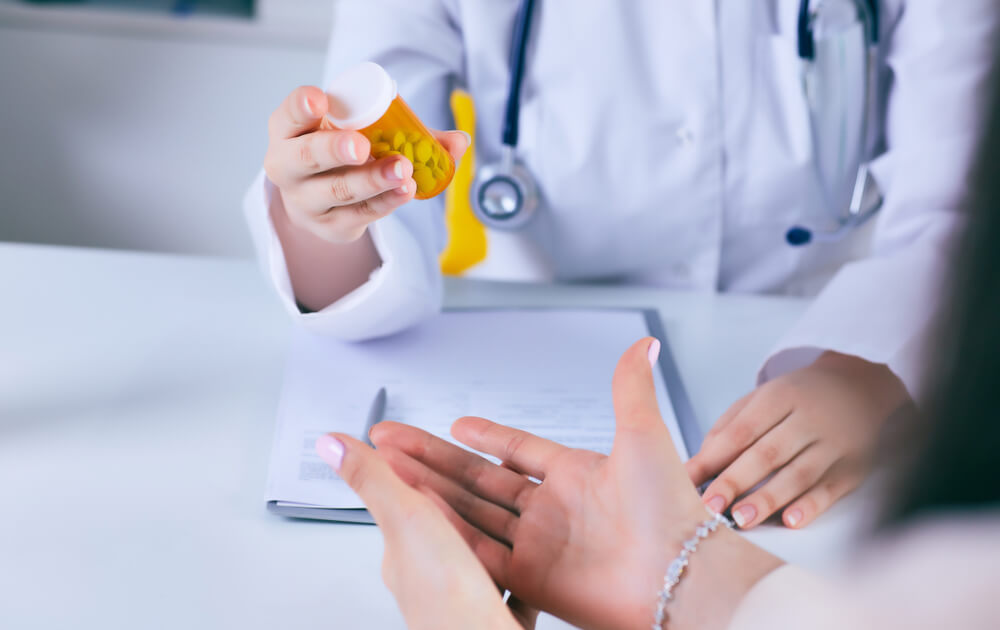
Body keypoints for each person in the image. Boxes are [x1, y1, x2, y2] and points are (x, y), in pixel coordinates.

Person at [312, 42, 1000, 626]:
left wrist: (867, 361)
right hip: (540, 317)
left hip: (799, 326)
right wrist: (685, 571)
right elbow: (368, 130)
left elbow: (967, 197)